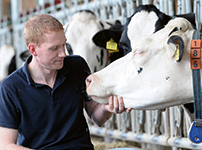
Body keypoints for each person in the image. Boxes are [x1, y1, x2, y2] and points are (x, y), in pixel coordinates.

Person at [0, 14, 131, 150]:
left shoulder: (77, 66)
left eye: (64, 45)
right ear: (33, 50)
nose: (63, 53)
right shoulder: (10, 87)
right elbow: (5, 145)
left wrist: (107, 108)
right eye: (54, 48)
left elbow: (97, 117)